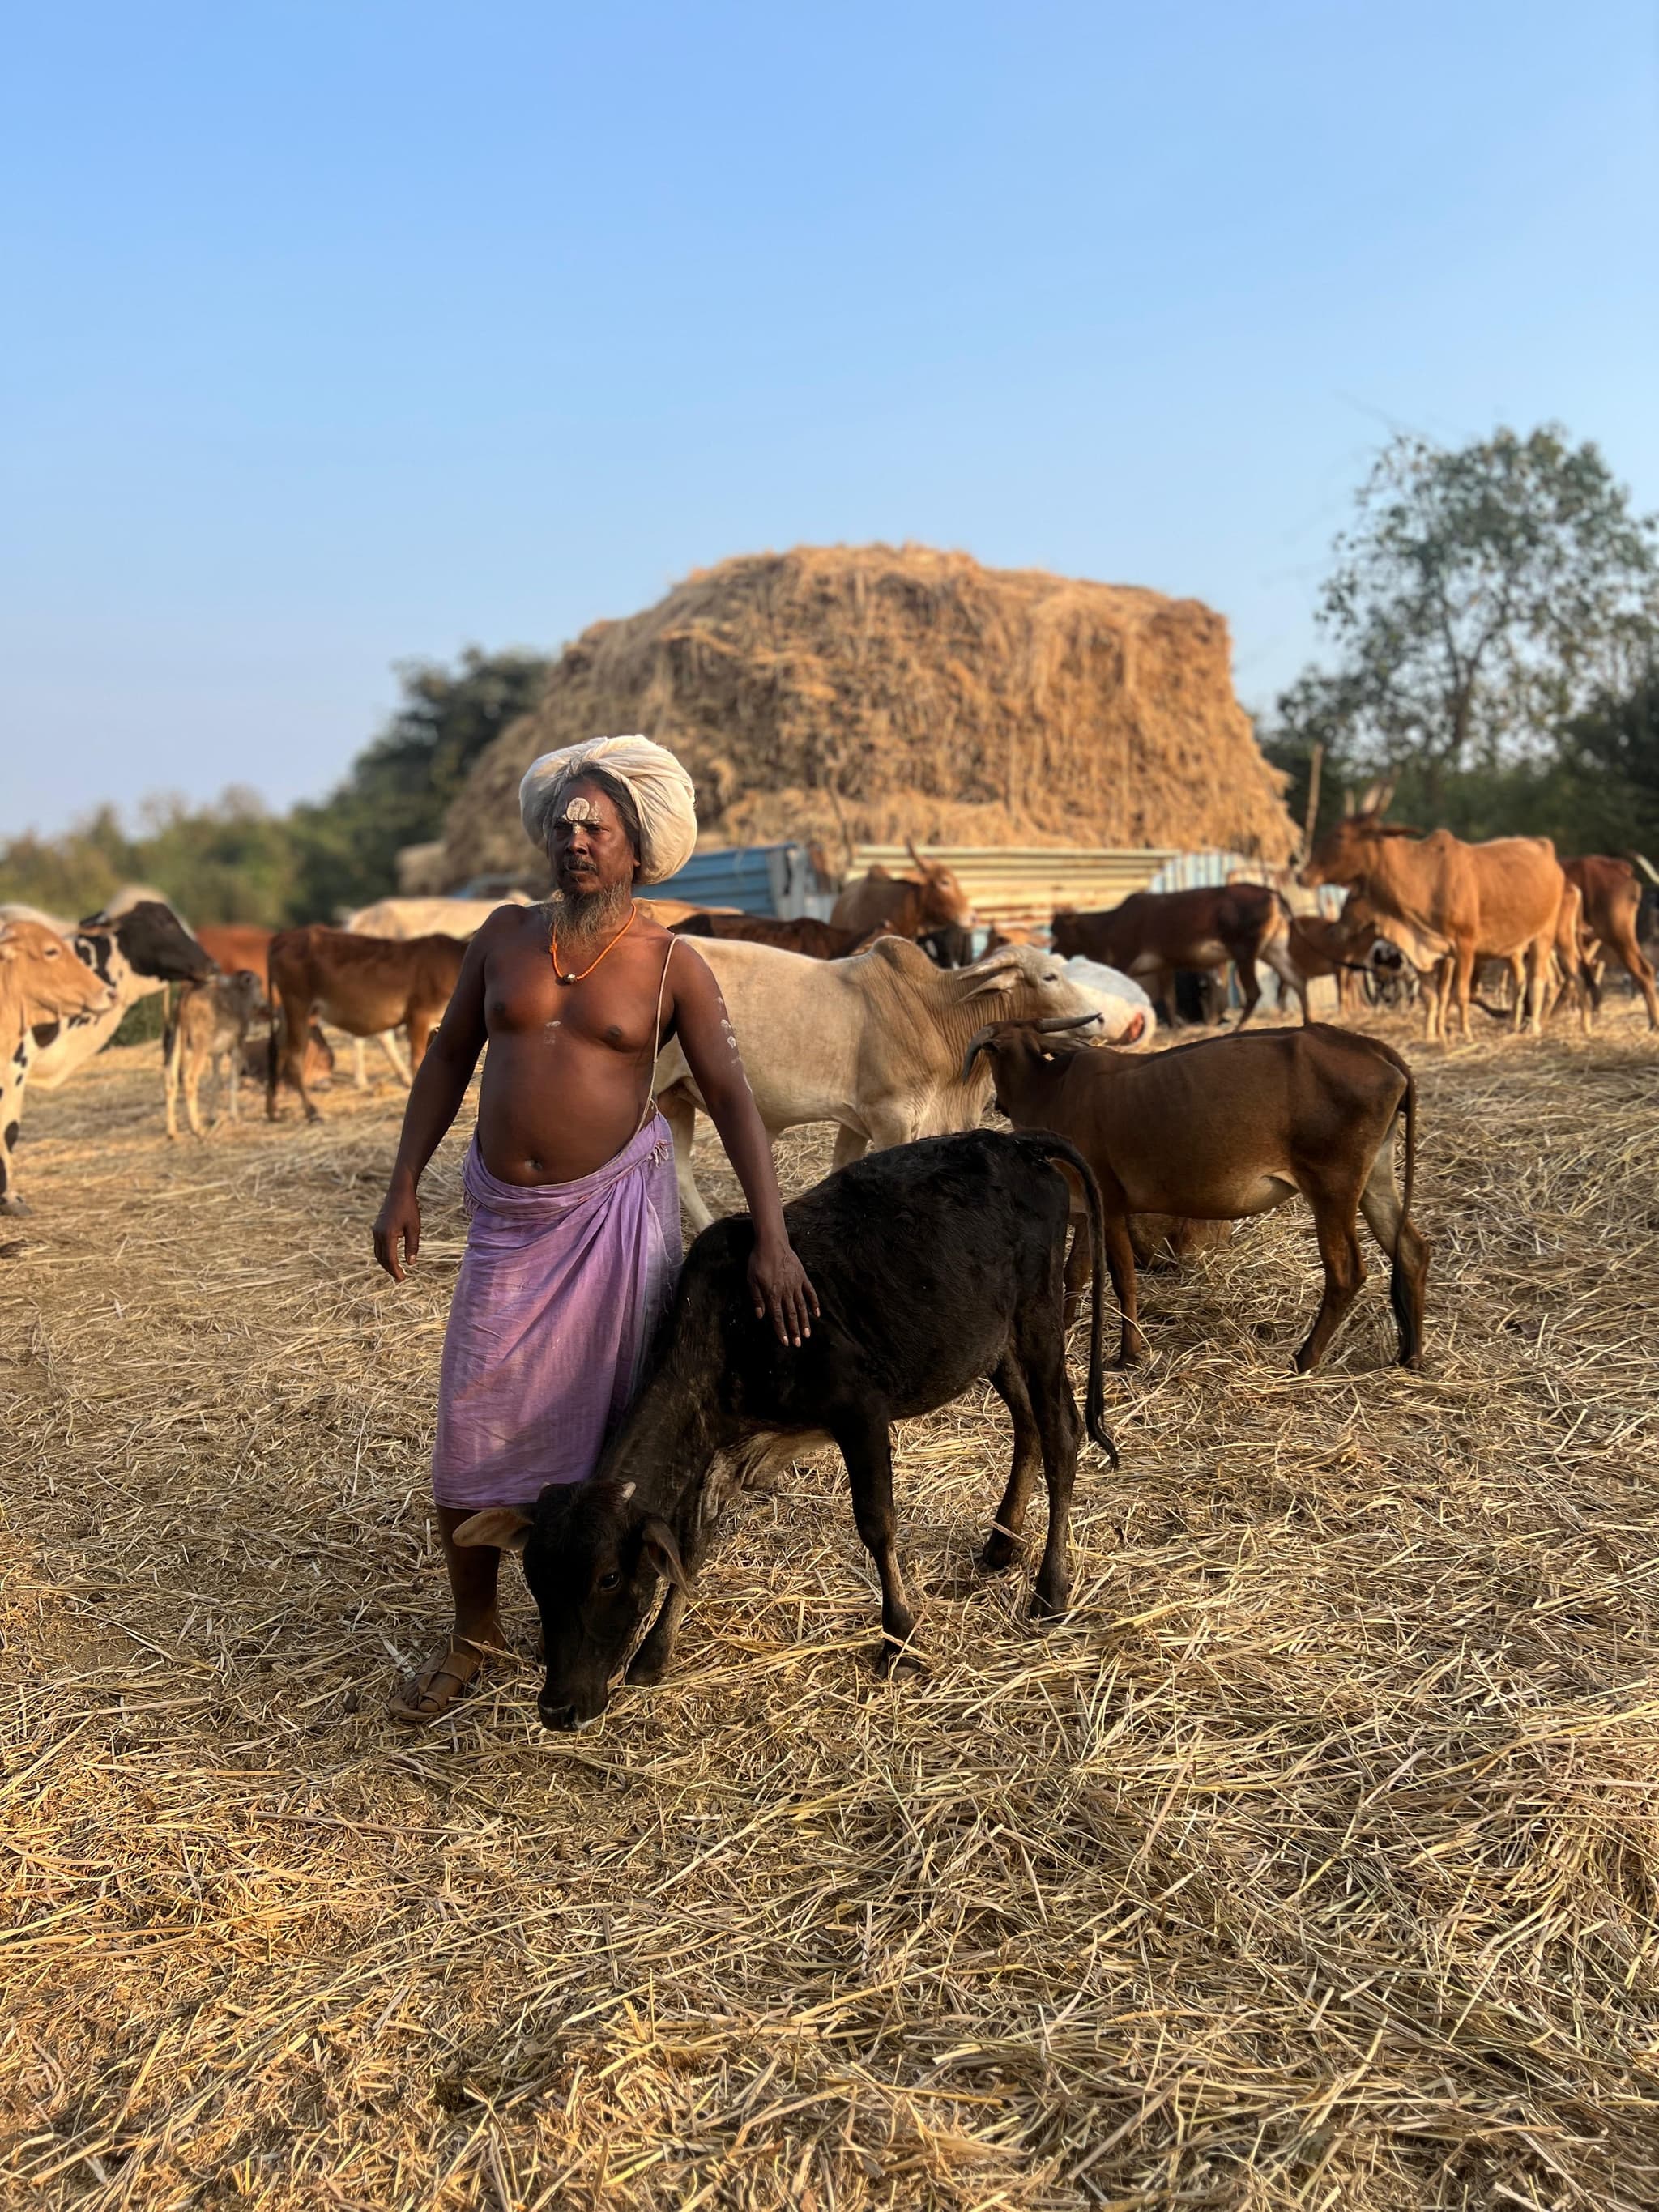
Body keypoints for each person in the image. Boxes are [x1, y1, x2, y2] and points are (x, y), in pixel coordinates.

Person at [372, 734, 817, 1723]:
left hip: (612, 1220)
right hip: (507, 1221)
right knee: (469, 1429)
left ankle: (589, 1623)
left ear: (637, 849)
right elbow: (447, 1058)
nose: (574, 839)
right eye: (564, 823)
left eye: (597, 827)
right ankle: (474, 1631)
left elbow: (733, 1100)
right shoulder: (503, 937)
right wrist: (402, 1182)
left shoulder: (671, 965)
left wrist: (771, 1237)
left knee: (605, 1434)